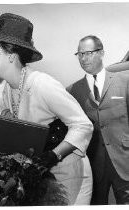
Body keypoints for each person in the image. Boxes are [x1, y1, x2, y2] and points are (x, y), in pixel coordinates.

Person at [0, 13, 94, 205]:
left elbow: (83, 125)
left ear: (11, 56)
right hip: (43, 178)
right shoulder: (4, 92)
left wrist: (53, 155)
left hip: (70, 172)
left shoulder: (42, 84)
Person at [67, 35, 129, 204]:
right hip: (94, 166)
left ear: (101, 53)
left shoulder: (125, 81)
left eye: (88, 53)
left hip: (124, 162)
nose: (83, 58)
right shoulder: (73, 91)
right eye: (79, 54)